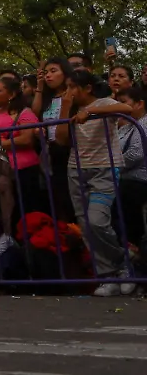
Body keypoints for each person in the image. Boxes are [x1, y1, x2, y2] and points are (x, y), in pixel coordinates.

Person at [55, 70, 137, 297]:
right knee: (86, 226)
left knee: (97, 221)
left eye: (72, 87)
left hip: (104, 169)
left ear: (87, 88)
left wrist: (90, 111)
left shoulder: (104, 103)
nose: (69, 92)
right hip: (76, 170)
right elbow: (61, 139)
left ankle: (123, 263)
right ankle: (108, 274)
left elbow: (127, 109)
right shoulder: (70, 108)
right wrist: (65, 108)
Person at [0, 77, 44, 234]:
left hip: (23, 169)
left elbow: (26, 139)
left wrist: (0, 144)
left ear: (11, 94)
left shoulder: (25, 112)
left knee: (26, 211)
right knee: (6, 210)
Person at [32, 57, 76, 223]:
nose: (48, 76)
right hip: (52, 151)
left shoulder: (72, 94)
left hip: (70, 149)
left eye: (53, 71)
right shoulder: (47, 99)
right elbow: (34, 113)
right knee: (59, 195)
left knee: (72, 195)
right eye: (46, 73)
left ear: (65, 73)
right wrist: (40, 85)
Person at [114, 86, 147, 256]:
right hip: (125, 177)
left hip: (140, 179)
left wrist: (113, 163)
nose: (119, 107)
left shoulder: (145, 123)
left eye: (123, 102)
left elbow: (136, 154)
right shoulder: (126, 126)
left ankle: (134, 246)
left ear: (139, 103)